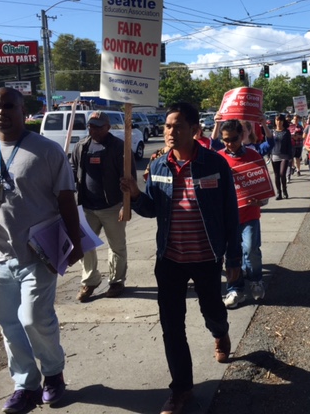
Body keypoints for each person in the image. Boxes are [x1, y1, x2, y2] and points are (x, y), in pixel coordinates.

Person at [0, 87, 83, 412]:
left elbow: (66, 199)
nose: (1, 111)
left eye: (9, 105)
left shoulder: (48, 151)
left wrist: (76, 244)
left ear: (24, 110)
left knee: (34, 317)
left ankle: (53, 373)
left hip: (40, 253)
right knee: (9, 324)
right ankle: (26, 384)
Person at [120, 102, 241, 414]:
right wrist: (134, 195)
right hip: (170, 260)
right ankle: (181, 389)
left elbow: (230, 213)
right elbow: (152, 209)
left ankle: (220, 332)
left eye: (177, 126)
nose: (170, 132)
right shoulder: (159, 166)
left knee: (212, 309)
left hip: (206, 258)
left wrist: (234, 259)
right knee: (172, 326)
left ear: (194, 130)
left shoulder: (215, 164)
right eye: (166, 127)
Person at [71, 111, 137, 302]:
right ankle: (90, 281)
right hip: (87, 207)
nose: (94, 129)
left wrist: (126, 204)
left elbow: (129, 178)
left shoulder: (119, 148)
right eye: (91, 125)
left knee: (116, 245)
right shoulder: (81, 146)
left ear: (108, 127)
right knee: (85, 245)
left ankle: (116, 281)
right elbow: (74, 169)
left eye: (99, 126)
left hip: (112, 206)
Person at [217, 119, 267, 308]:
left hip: (250, 214)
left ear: (242, 136)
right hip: (227, 217)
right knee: (232, 253)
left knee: (251, 249)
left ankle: (255, 281)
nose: (229, 143)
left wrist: (261, 199)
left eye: (234, 139)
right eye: (225, 140)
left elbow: (263, 186)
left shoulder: (254, 156)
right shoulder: (218, 158)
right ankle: (235, 289)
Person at [270, 114, 292, 200]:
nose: (279, 122)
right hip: (274, 154)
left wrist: (290, 156)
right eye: (277, 120)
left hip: (284, 155)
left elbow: (289, 145)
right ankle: (278, 193)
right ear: (275, 121)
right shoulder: (272, 132)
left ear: (283, 121)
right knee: (276, 175)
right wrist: (268, 155)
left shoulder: (286, 132)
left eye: (280, 120)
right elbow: (269, 144)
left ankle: (284, 190)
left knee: (282, 174)